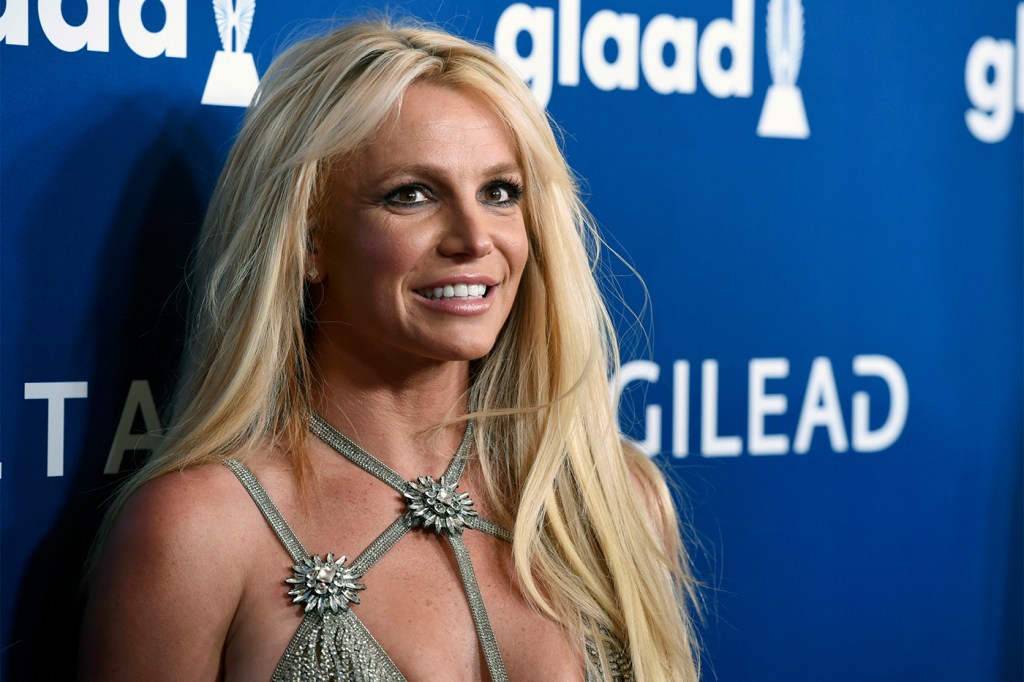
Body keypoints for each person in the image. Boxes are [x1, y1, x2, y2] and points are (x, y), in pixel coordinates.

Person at [79, 19, 700, 682]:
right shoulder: (196, 532)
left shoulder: (615, 502)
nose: (474, 237)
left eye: (499, 192)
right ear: (308, 242)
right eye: (412, 194)